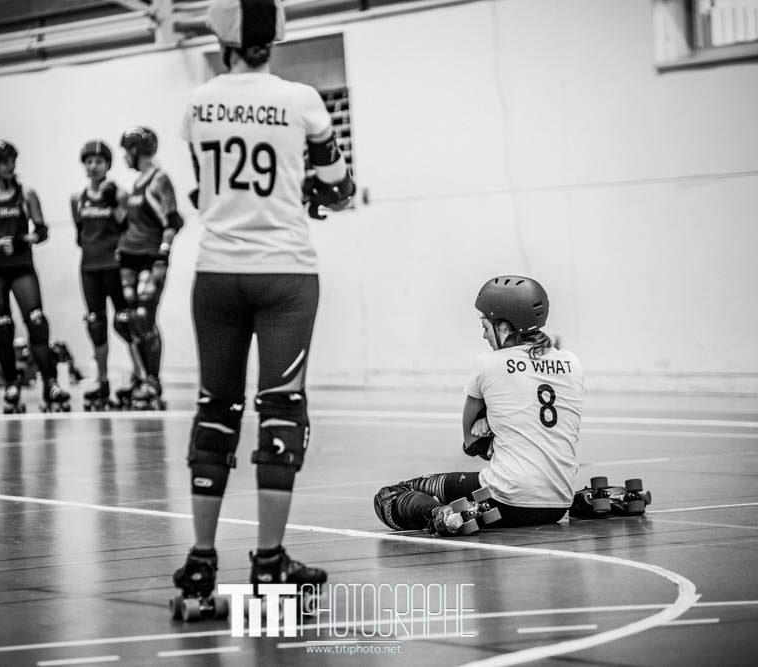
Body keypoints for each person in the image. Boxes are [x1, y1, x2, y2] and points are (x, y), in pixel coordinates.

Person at [170, 0, 355, 616]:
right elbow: (336, 183)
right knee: (281, 411)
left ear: (220, 42)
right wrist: (319, 193)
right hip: (285, 275)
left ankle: (199, 568)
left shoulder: (197, 104)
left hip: (216, 273)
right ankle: (271, 565)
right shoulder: (301, 99)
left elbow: (203, 184)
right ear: (273, 40)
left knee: (214, 407)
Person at [373, 276, 584, 535]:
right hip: (558, 504)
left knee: (389, 497)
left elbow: (472, 441)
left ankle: (441, 515)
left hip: (506, 501)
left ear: (504, 326)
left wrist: (487, 430)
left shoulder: (488, 365)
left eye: (485, 325)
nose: (483, 334)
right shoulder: (571, 363)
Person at [0, 140, 71, 414]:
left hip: (21, 264)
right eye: (4, 162)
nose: (10, 166)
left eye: (12, 160)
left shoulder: (27, 194)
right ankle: (12, 383)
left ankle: (50, 382)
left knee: (36, 321)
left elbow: (43, 230)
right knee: (3, 325)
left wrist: (23, 240)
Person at [114, 126, 182, 410]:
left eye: (125, 151)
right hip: (129, 257)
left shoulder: (158, 179)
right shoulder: (137, 183)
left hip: (150, 256)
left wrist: (163, 257)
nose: (124, 158)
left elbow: (173, 220)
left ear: (135, 150)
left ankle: (152, 381)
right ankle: (140, 376)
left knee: (144, 316)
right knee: (125, 320)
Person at [70, 139, 134, 410]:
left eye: (98, 162)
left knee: (126, 321)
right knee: (96, 324)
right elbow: (80, 233)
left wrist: (114, 204)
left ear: (108, 165)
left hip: (115, 265)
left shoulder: (119, 194)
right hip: (89, 267)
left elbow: (128, 226)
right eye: (88, 162)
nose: (93, 166)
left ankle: (141, 377)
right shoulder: (77, 198)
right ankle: (103, 379)